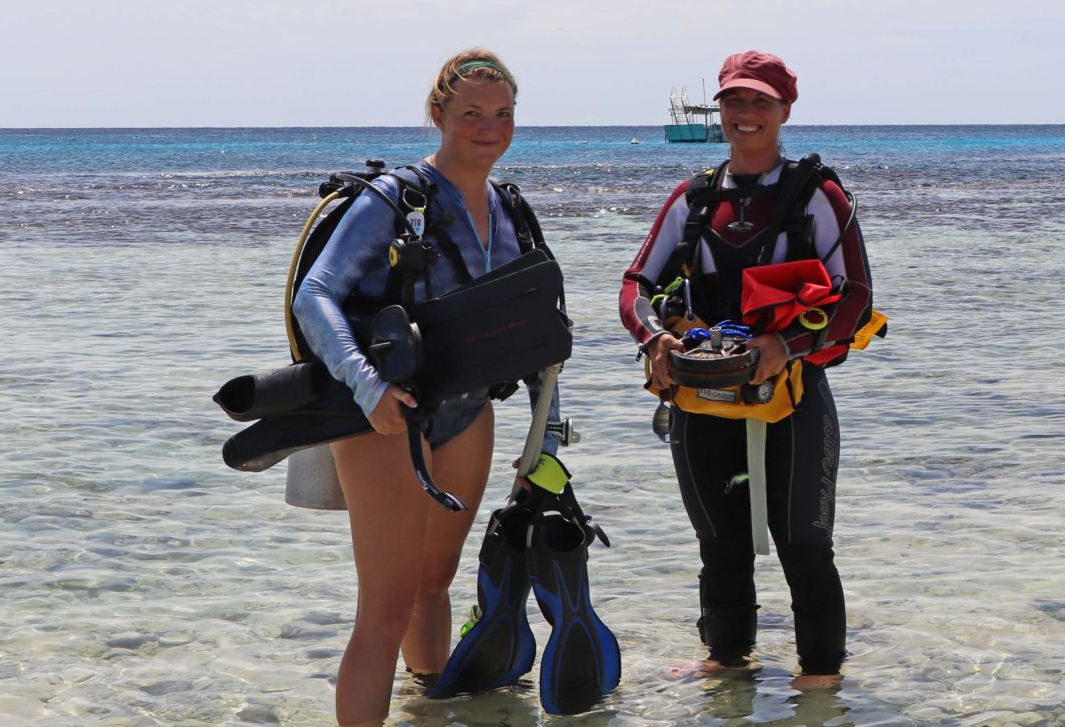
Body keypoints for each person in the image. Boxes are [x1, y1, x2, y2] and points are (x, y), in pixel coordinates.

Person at [290, 49, 559, 727]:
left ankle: (428, 707)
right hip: (386, 416)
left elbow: (538, 332)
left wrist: (546, 439)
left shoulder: (511, 209)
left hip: (468, 414)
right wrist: (366, 384)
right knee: (383, 607)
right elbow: (316, 294)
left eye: (502, 114)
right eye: (471, 113)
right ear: (438, 114)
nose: (488, 127)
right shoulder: (394, 201)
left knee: (434, 585)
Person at [619, 51, 876, 689]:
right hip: (701, 396)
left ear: (786, 110)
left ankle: (819, 679)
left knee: (805, 545)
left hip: (792, 393)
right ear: (721, 108)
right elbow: (634, 287)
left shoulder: (818, 196)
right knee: (720, 545)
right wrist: (656, 340)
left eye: (761, 102)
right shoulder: (695, 198)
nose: (746, 113)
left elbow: (855, 299)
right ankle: (726, 665)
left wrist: (783, 347)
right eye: (735, 100)